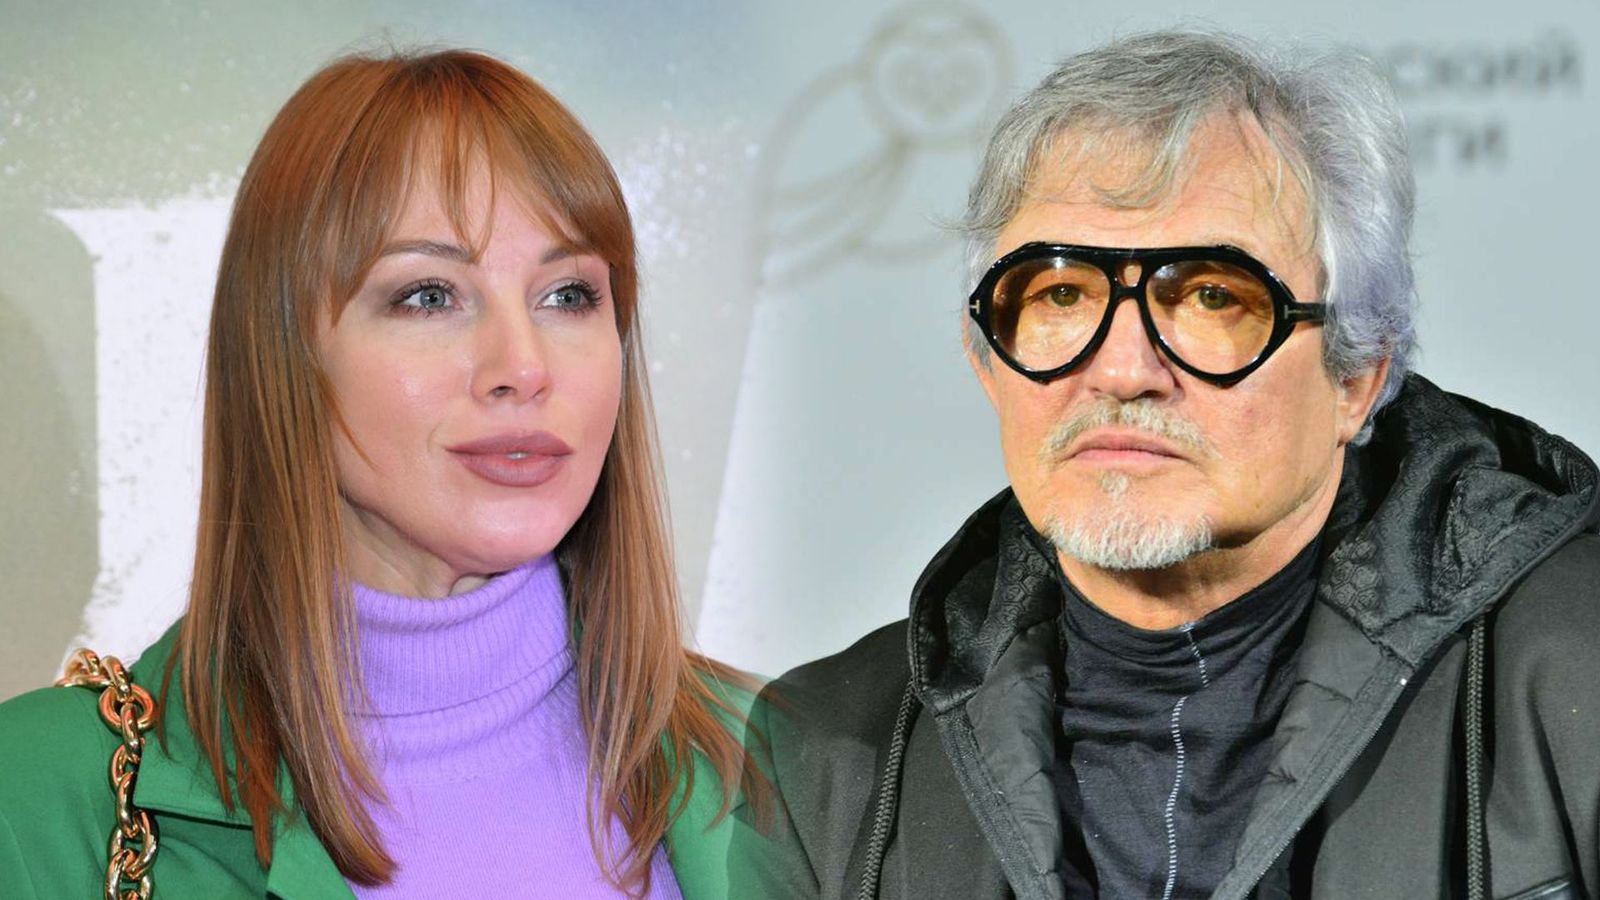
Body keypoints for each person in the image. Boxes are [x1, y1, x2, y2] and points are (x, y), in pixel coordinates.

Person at [736, 30, 1600, 900]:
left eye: (1213, 297)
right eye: (1061, 293)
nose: (1121, 371)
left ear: (1358, 377)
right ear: (987, 363)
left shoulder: (1579, 666)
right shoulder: (824, 755)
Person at [0, 49, 761, 899]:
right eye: (429, 295)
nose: (523, 366)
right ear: (283, 351)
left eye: (568, 295)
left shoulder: (802, 769)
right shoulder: (33, 802)